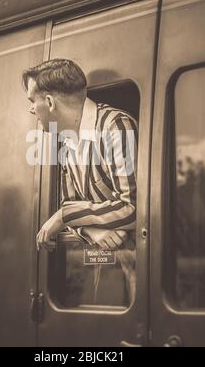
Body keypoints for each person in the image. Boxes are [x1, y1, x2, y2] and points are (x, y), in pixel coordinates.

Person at [23, 59, 137, 304]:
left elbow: (133, 208)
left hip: (144, 271)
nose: (31, 110)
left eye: (33, 101)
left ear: (50, 102)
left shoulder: (115, 127)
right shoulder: (65, 142)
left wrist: (63, 217)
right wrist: (90, 229)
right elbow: (70, 202)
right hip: (112, 273)